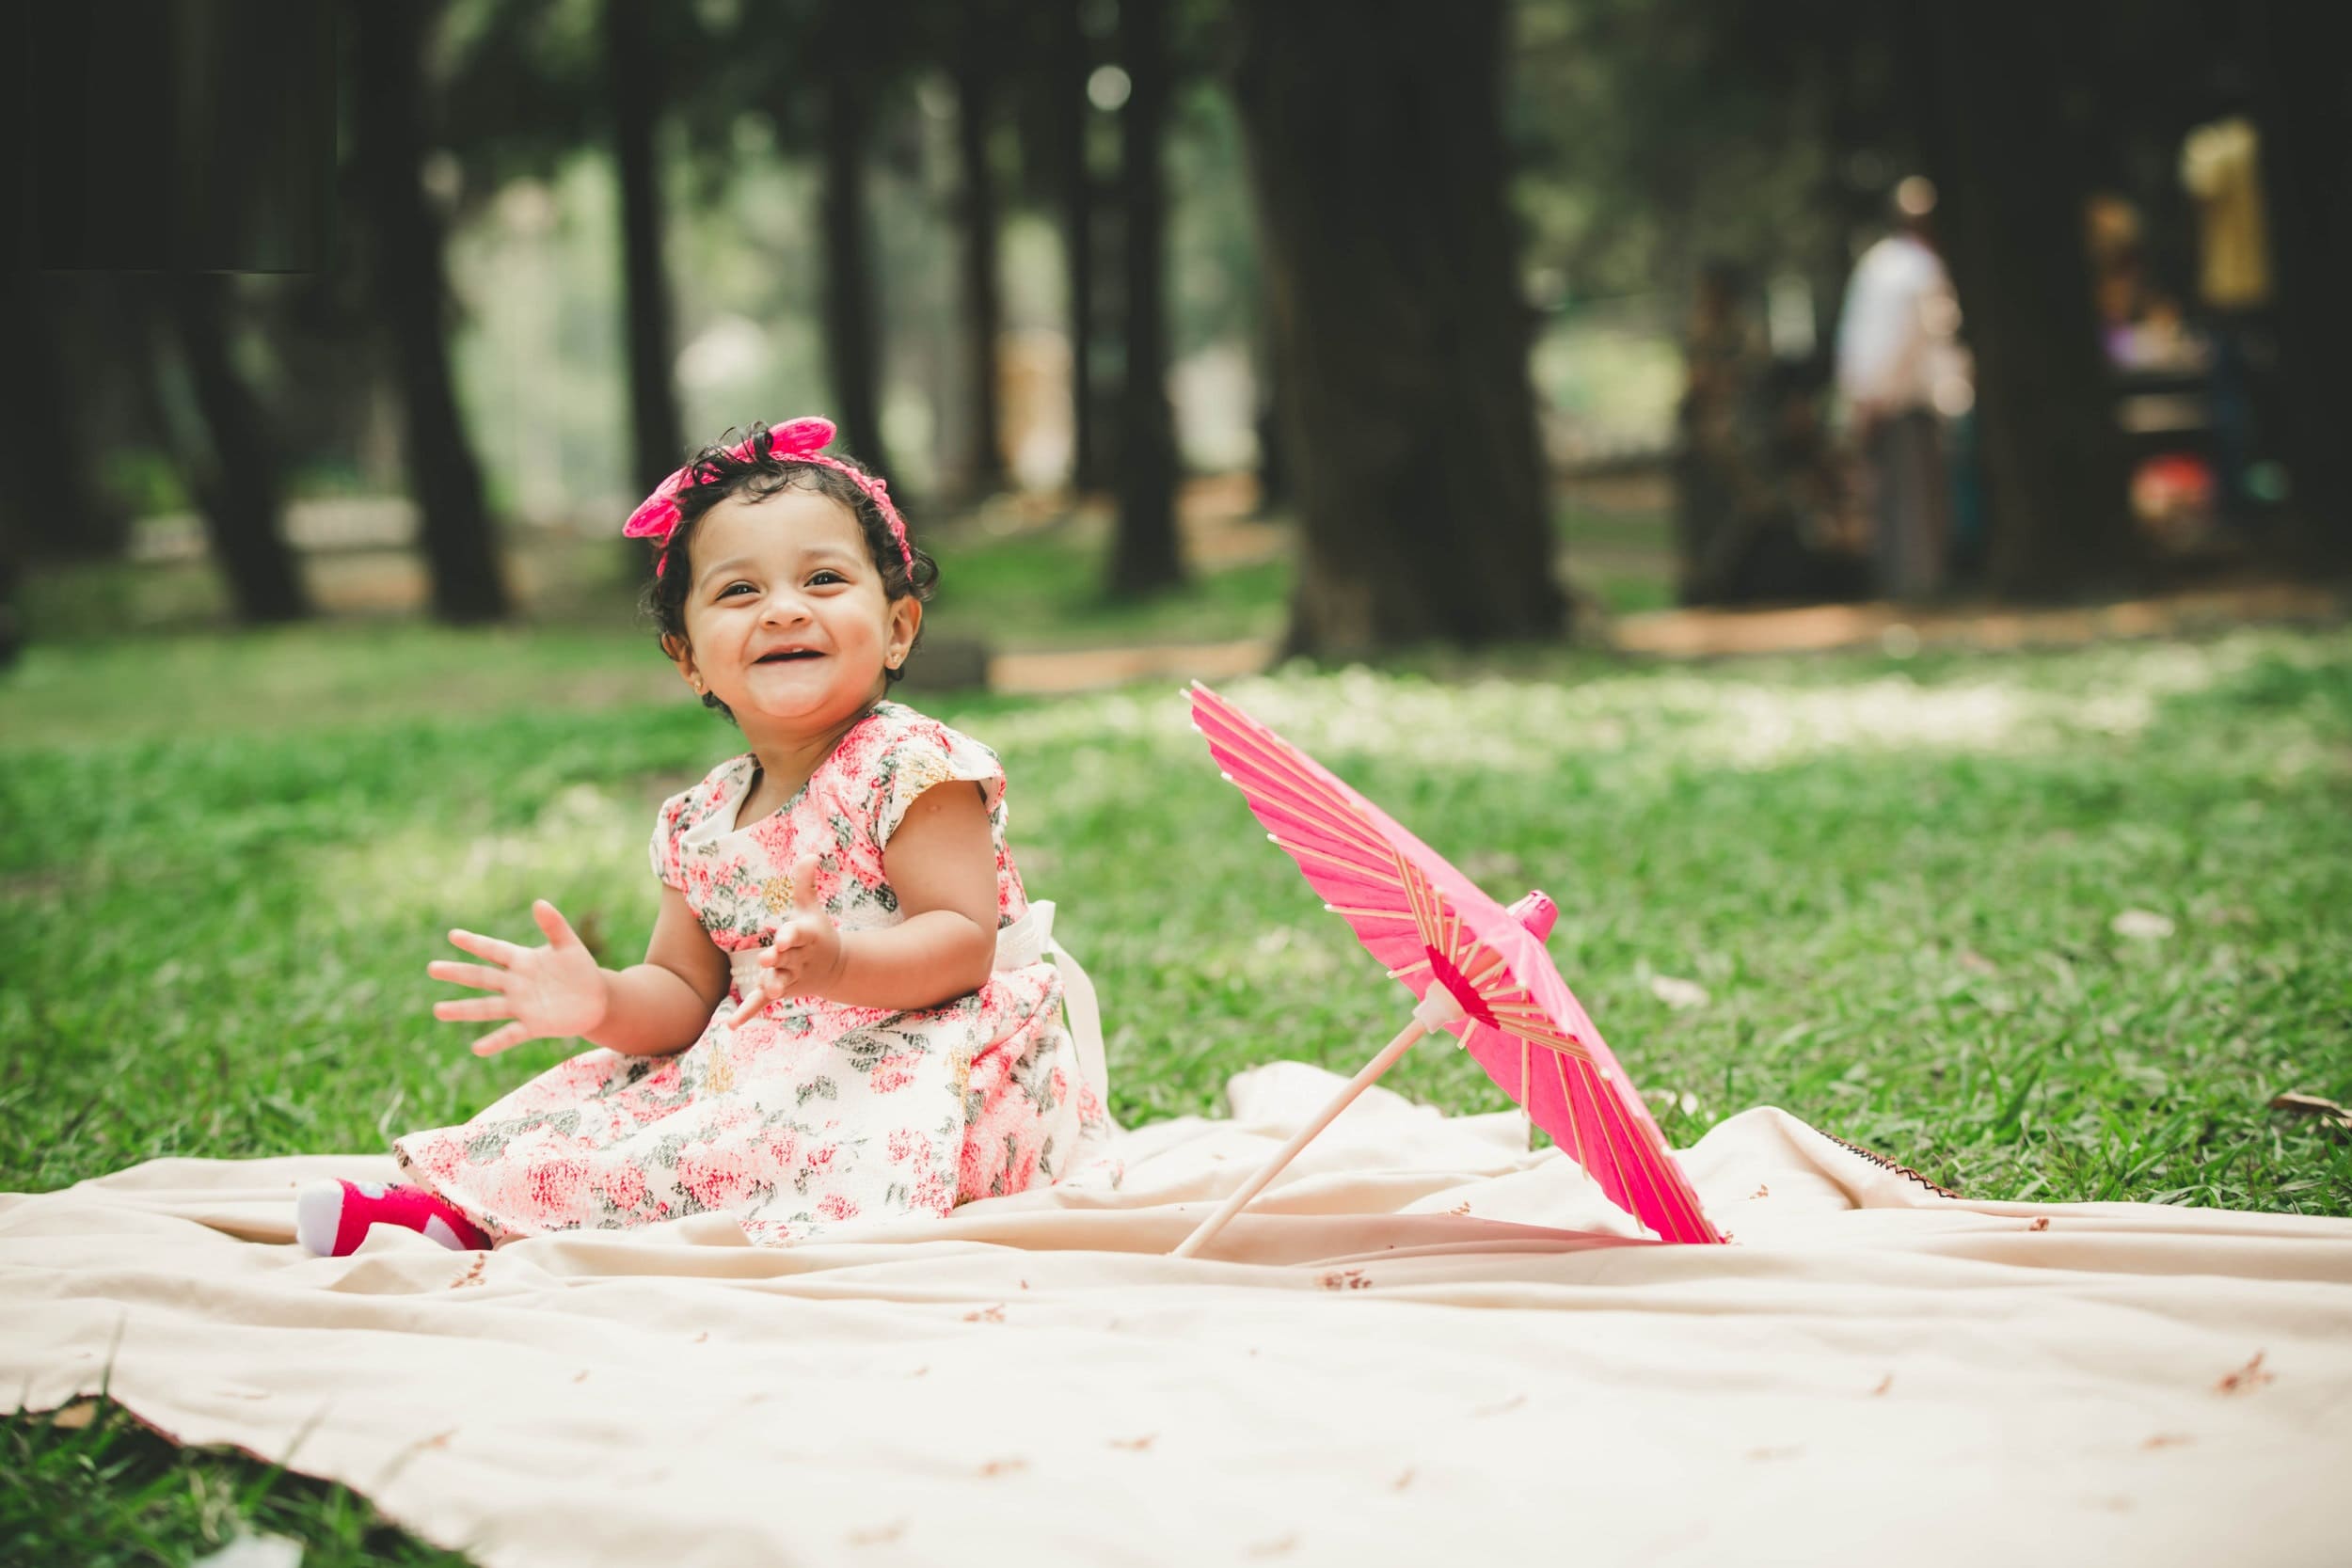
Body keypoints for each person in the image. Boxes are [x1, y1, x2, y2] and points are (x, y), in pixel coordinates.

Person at [295, 418, 1115, 1256]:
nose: (784, 609)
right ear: (689, 658)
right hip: (767, 1065)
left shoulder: (911, 766)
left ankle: (558, 1221)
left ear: (899, 626)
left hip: (944, 1067)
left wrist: (837, 965)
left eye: (824, 578)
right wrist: (601, 1002)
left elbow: (964, 944)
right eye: (738, 591)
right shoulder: (700, 820)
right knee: (608, 1104)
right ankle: (462, 1207)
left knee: (766, 1135)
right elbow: (683, 997)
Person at [1835, 176, 1967, 599]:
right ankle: (1918, 590)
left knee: (1901, 502)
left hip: (1887, 399)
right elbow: (1896, 343)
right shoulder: (1915, 268)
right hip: (1902, 402)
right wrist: (1876, 398)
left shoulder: (1879, 264)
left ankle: (1912, 587)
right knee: (1913, 504)